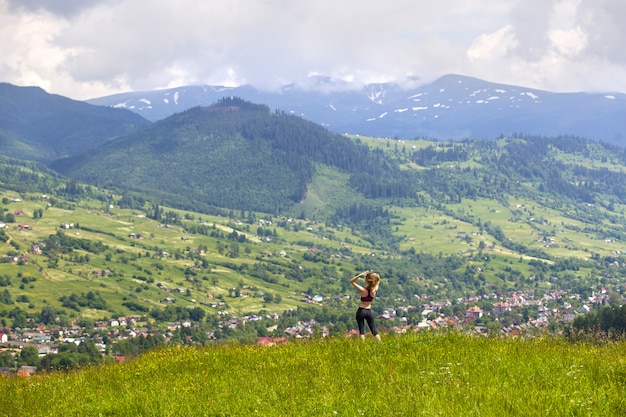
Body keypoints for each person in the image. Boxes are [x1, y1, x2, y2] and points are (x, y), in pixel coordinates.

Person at [350, 270, 381, 342]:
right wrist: (376, 277)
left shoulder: (363, 290)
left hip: (361, 310)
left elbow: (352, 281)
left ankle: (362, 345)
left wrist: (359, 275)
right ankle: (380, 343)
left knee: (361, 330)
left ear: (366, 281)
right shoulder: (374, 290)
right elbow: (378, 281)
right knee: (374, 329)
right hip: (368, 311)